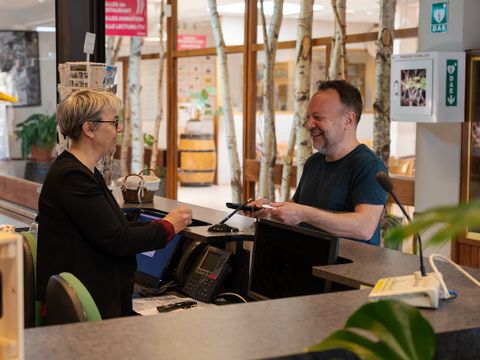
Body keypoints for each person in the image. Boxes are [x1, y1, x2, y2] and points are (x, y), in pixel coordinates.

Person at [36, 89, 193, 319]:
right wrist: (168, 227)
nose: (118, 129)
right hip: (87, 310)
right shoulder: (72, 177)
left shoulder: (86, 171)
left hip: (98, 296)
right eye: (114, 122)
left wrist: (165, 223)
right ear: (89, 129)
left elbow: (114, 227)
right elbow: (117, 239)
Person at [251, 80, 387, 246]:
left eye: (318, 118)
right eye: (308, 117)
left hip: (346, 268)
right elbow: (296, 209)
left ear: (348, 120)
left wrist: (304, 214)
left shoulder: (369, 166)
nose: (308, 125)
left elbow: (364, 227)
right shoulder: (314, 162)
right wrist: (270, 210)